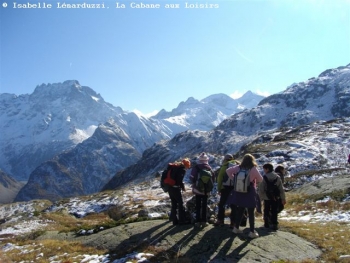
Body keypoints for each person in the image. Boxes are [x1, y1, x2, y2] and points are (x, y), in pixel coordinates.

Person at [226, 154, 263, 238]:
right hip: (250, 191)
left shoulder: (238, 167)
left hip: (239, 190)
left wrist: (234, 180)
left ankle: (236, 228)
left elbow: (228, 171)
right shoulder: (253, 169)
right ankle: (252, 231)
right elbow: (260, 179)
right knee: (251, 211)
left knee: (241, 210)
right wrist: (254, 181)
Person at [190, 152, 215, 228]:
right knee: (204, 205)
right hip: (206, 190)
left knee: (197, 205)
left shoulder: (196, 168)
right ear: (206, 160)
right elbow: (213, 179)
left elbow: (191, 177)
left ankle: (198, 222)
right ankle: (204, 221)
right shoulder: (209, 168)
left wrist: (195, 183)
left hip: (198, 189)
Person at [259, 163, 286, 230]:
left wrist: (260, 198)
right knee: (274, 210)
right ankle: (274, 224)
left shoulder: (264, 177)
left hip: (266, 197)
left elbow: (261, 189)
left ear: (267, 169)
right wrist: (283, 198)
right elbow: (281, 189)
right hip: (276, 197)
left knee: (266, 210)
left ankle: (266, 223)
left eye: (264, 169)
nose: (264, 170)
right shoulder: (277, 177)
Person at [214, 154, 237, 227]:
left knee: (222, 204)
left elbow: (220, 178)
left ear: (225, 159)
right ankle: (233, 222)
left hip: (225, 188)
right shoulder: (237, 166)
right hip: (235, 188)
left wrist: (219, 188)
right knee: (233, 205)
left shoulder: (224, 167)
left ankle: (220, 220)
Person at [168, 158, 191, 225]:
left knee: (174, 203)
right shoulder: (182, 170)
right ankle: (182, 220)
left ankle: (174, 220)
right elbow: (179, 181)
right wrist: (182, 186)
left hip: (170, 187)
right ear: (186, 165)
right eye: (187, 166)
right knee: (180, 203)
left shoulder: (175, 167)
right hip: (175, 188)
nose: (187, 168)